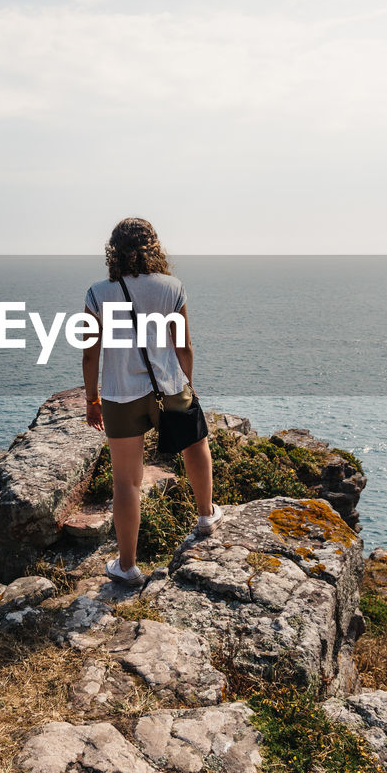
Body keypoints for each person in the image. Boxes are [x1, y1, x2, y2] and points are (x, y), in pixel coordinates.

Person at [82, 217, 222, 585]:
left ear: (114, 250)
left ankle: (127, 567)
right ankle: (206, 515)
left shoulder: (98, 293)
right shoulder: (172, 287)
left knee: (126, 482)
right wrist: (186, 386)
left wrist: (92, 399)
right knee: (195, 444)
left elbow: (89, 355)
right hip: (169, 387)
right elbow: (184, 346)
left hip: (119, 395)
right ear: (154, 247)